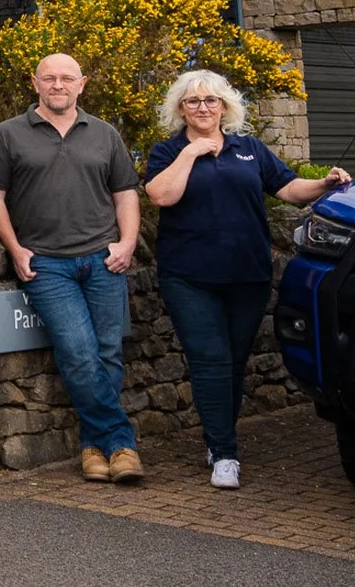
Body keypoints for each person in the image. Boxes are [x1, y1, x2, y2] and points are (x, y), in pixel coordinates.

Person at [144, 70, 350, 489]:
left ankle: (216, 436)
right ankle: (225, 453)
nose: (203, 108)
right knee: (211, 361)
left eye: (211, 101)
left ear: (225, 106)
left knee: (234, 364)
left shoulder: (249, 149)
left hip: (247, 275)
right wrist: (192, 153)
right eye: (193, 102)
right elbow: (162, 196)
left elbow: (288, 188)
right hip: (189, 276)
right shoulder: (167, 151)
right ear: (180, 109)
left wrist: (325, 183)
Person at [0, 53, 146, 485]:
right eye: (49, 78)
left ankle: (94, 447)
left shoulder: (104, 133)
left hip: (103, 257)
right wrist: (16, 249)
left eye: (67, 78)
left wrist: (127, 243)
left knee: (108, 352)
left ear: (82, 84)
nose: (58, 85)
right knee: (77, 352)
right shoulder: (7, 134)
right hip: (47, 264)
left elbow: (126, 193)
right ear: (35, 83)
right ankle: (121, 442)